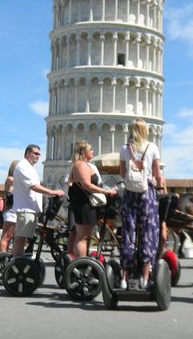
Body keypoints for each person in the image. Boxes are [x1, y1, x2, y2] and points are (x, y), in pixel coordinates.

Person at [119, 118, 165, 290]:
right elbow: (157, 174)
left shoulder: (124, 149)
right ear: (145, 130)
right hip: (147, 194)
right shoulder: (152, 148)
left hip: (130, 194)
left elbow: (123, 174)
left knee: (128, 233)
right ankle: (145, 277)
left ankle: (124, 277)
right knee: (147, 233)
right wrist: (158, 184)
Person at [11, 144, 65, 258]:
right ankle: (16, 261)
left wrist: (50, 194)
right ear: (27, 153)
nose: (38, 156)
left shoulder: (30, 168)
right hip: (25, 208)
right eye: (35, 153)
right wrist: (52, 192)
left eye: (39, 154)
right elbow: (34, 186)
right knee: (21, 238)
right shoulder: (23, 166)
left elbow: (38, 188)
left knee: (24, 238)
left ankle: (19, 259)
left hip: (31, 208)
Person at [68, 140, 117, 257]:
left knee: (85, 236)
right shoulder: (81, 165)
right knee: (82, 237)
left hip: (85, 203)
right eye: (91, 150)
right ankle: (80, 262)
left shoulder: (81, 164)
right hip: (84, 204)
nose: (93, 152)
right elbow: (86, 185)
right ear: (84, 152)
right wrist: (106, 191)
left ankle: (81, 261)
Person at [0, 160, 20, 254]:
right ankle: (2, 257)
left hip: (17, 211)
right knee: (7, 236)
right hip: (11, 211)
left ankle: (7, 257)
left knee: (13, 237)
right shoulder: (10, 179)